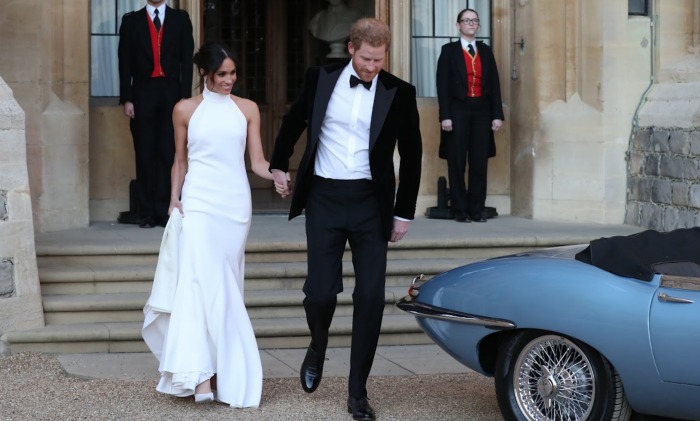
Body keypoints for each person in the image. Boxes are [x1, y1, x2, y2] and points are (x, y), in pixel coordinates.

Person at [269, 18, 422, 421]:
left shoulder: (400, 93)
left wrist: (403, 212)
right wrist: (278, 165)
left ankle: (358, 393)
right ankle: (318, 344)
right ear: (352, 48)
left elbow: (413, 153)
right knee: (320, 293)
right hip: (324, 197)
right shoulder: (320, 78)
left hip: (372, 204)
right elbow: (294, 119)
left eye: (379, 59)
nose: (372, 67)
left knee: (370, 297)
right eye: (367, 58)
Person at [142, 41, 283, 408]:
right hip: (199, 202)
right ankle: (201, 375)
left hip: (235, 206)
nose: (229, 80)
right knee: (199, 282)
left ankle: (220, 370)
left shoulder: (248, 109)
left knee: (227, 284)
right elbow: (181, 160)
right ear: (205, 73)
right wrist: (175, 198)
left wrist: (277, 174)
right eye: (222, 74)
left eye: (233, 73)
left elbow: (257, 161)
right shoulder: (184, 109)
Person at [118, 0, 194, 228]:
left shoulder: (181, 20)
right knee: (144, 153)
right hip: (142, 93)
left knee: (167, 152)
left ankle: (164, 210)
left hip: (171, 94)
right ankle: (147, 213)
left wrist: (184, 97)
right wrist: (127, 98)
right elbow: (124, 62)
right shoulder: (131, 21)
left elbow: (187, 61)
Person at [436, 8, 504, 223]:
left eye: (475, 20)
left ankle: (476, 209)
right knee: (457, 161)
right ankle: (459, 209)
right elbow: (442, 85)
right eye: (467, 21)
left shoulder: (485, 51)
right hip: (457, 110)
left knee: (479, 161)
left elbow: (494, 84)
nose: (471, 24)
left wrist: (497, 115)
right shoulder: (448, 51)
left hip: (482, 110)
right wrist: (444, 116)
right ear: (458, 25)